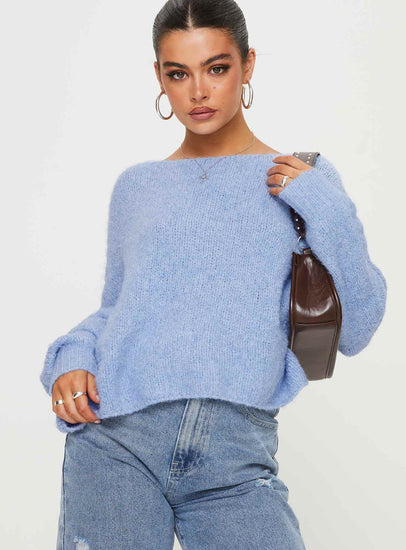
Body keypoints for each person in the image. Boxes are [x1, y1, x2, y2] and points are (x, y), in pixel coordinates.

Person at [40, 1, 387, 548]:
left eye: (216, 68)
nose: (198, 92)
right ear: (160, 77)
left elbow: (359, 327)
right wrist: (74, 357)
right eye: (179, 73)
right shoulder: (137, 187)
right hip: (116, 442)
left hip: (236, 451)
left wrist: (326, 206)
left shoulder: (304, 179)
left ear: (248, 65)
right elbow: (116, 310)